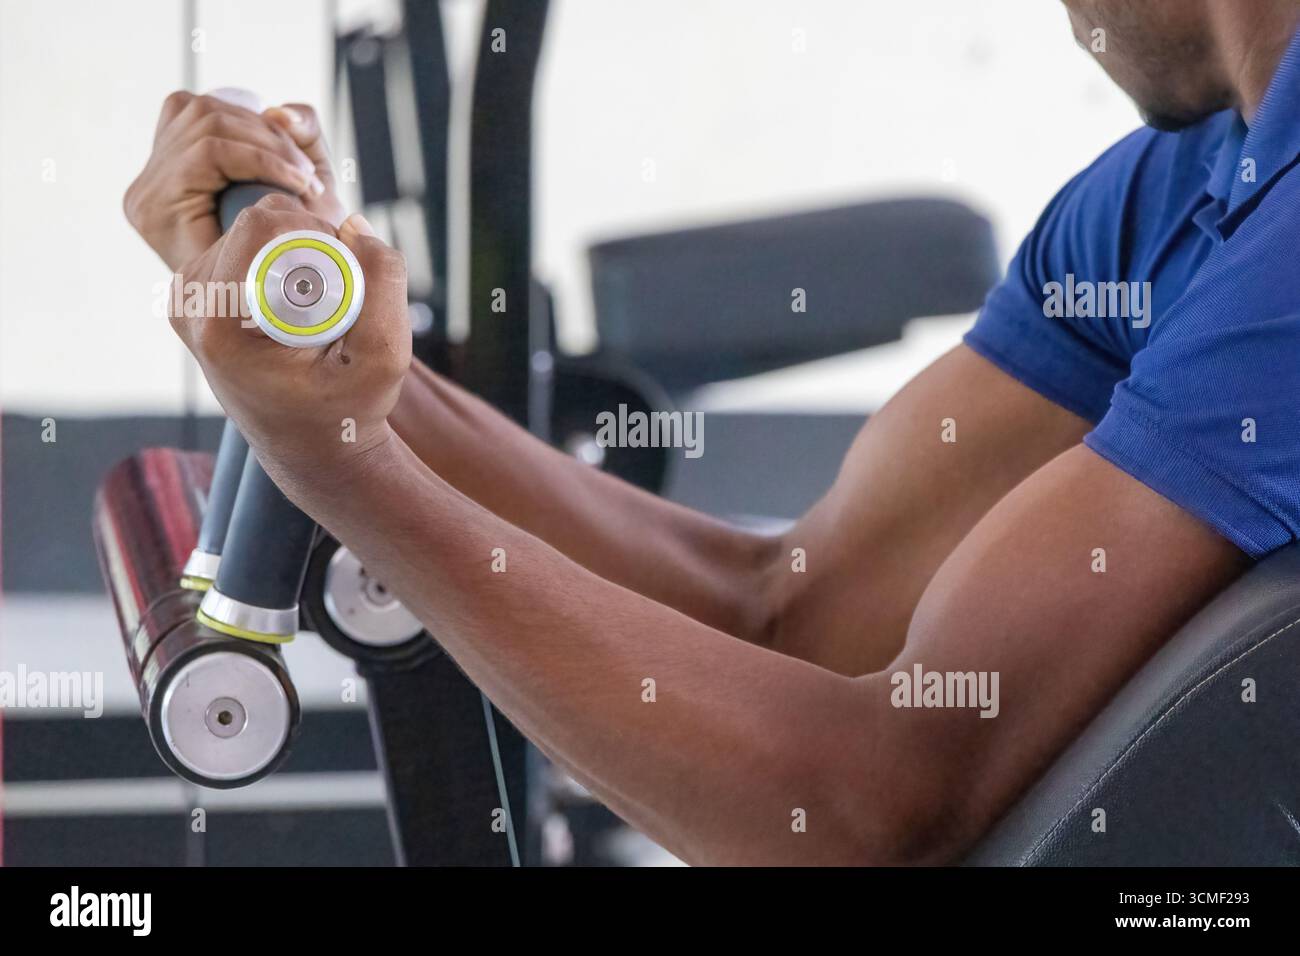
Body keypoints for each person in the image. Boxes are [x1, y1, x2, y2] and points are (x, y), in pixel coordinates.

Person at [122, 0, 1300, 864]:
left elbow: (863, 809)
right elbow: (793, 618)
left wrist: (346, 466)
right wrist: (318, 340)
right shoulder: (1178, 182)